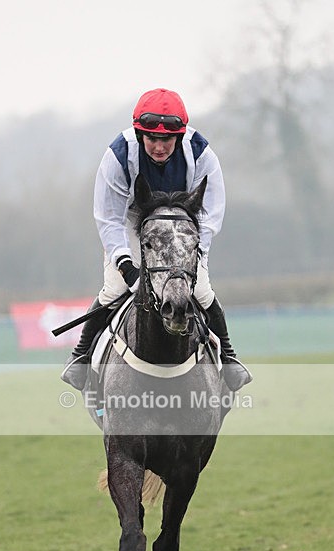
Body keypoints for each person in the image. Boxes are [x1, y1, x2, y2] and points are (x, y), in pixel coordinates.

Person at [61, 87, 250, 391]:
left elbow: (211, 214)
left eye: (167, 140)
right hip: (133, 222)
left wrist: (193, 252)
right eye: (152, 138)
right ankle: (80, 357)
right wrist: (126, 266)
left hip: (183, 226)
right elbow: (109, 218)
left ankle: (228, 358)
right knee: (114, 288)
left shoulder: (201, 154)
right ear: (139, 135)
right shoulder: (118, 155)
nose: (160, 147)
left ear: (180, 135)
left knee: (200, 290)